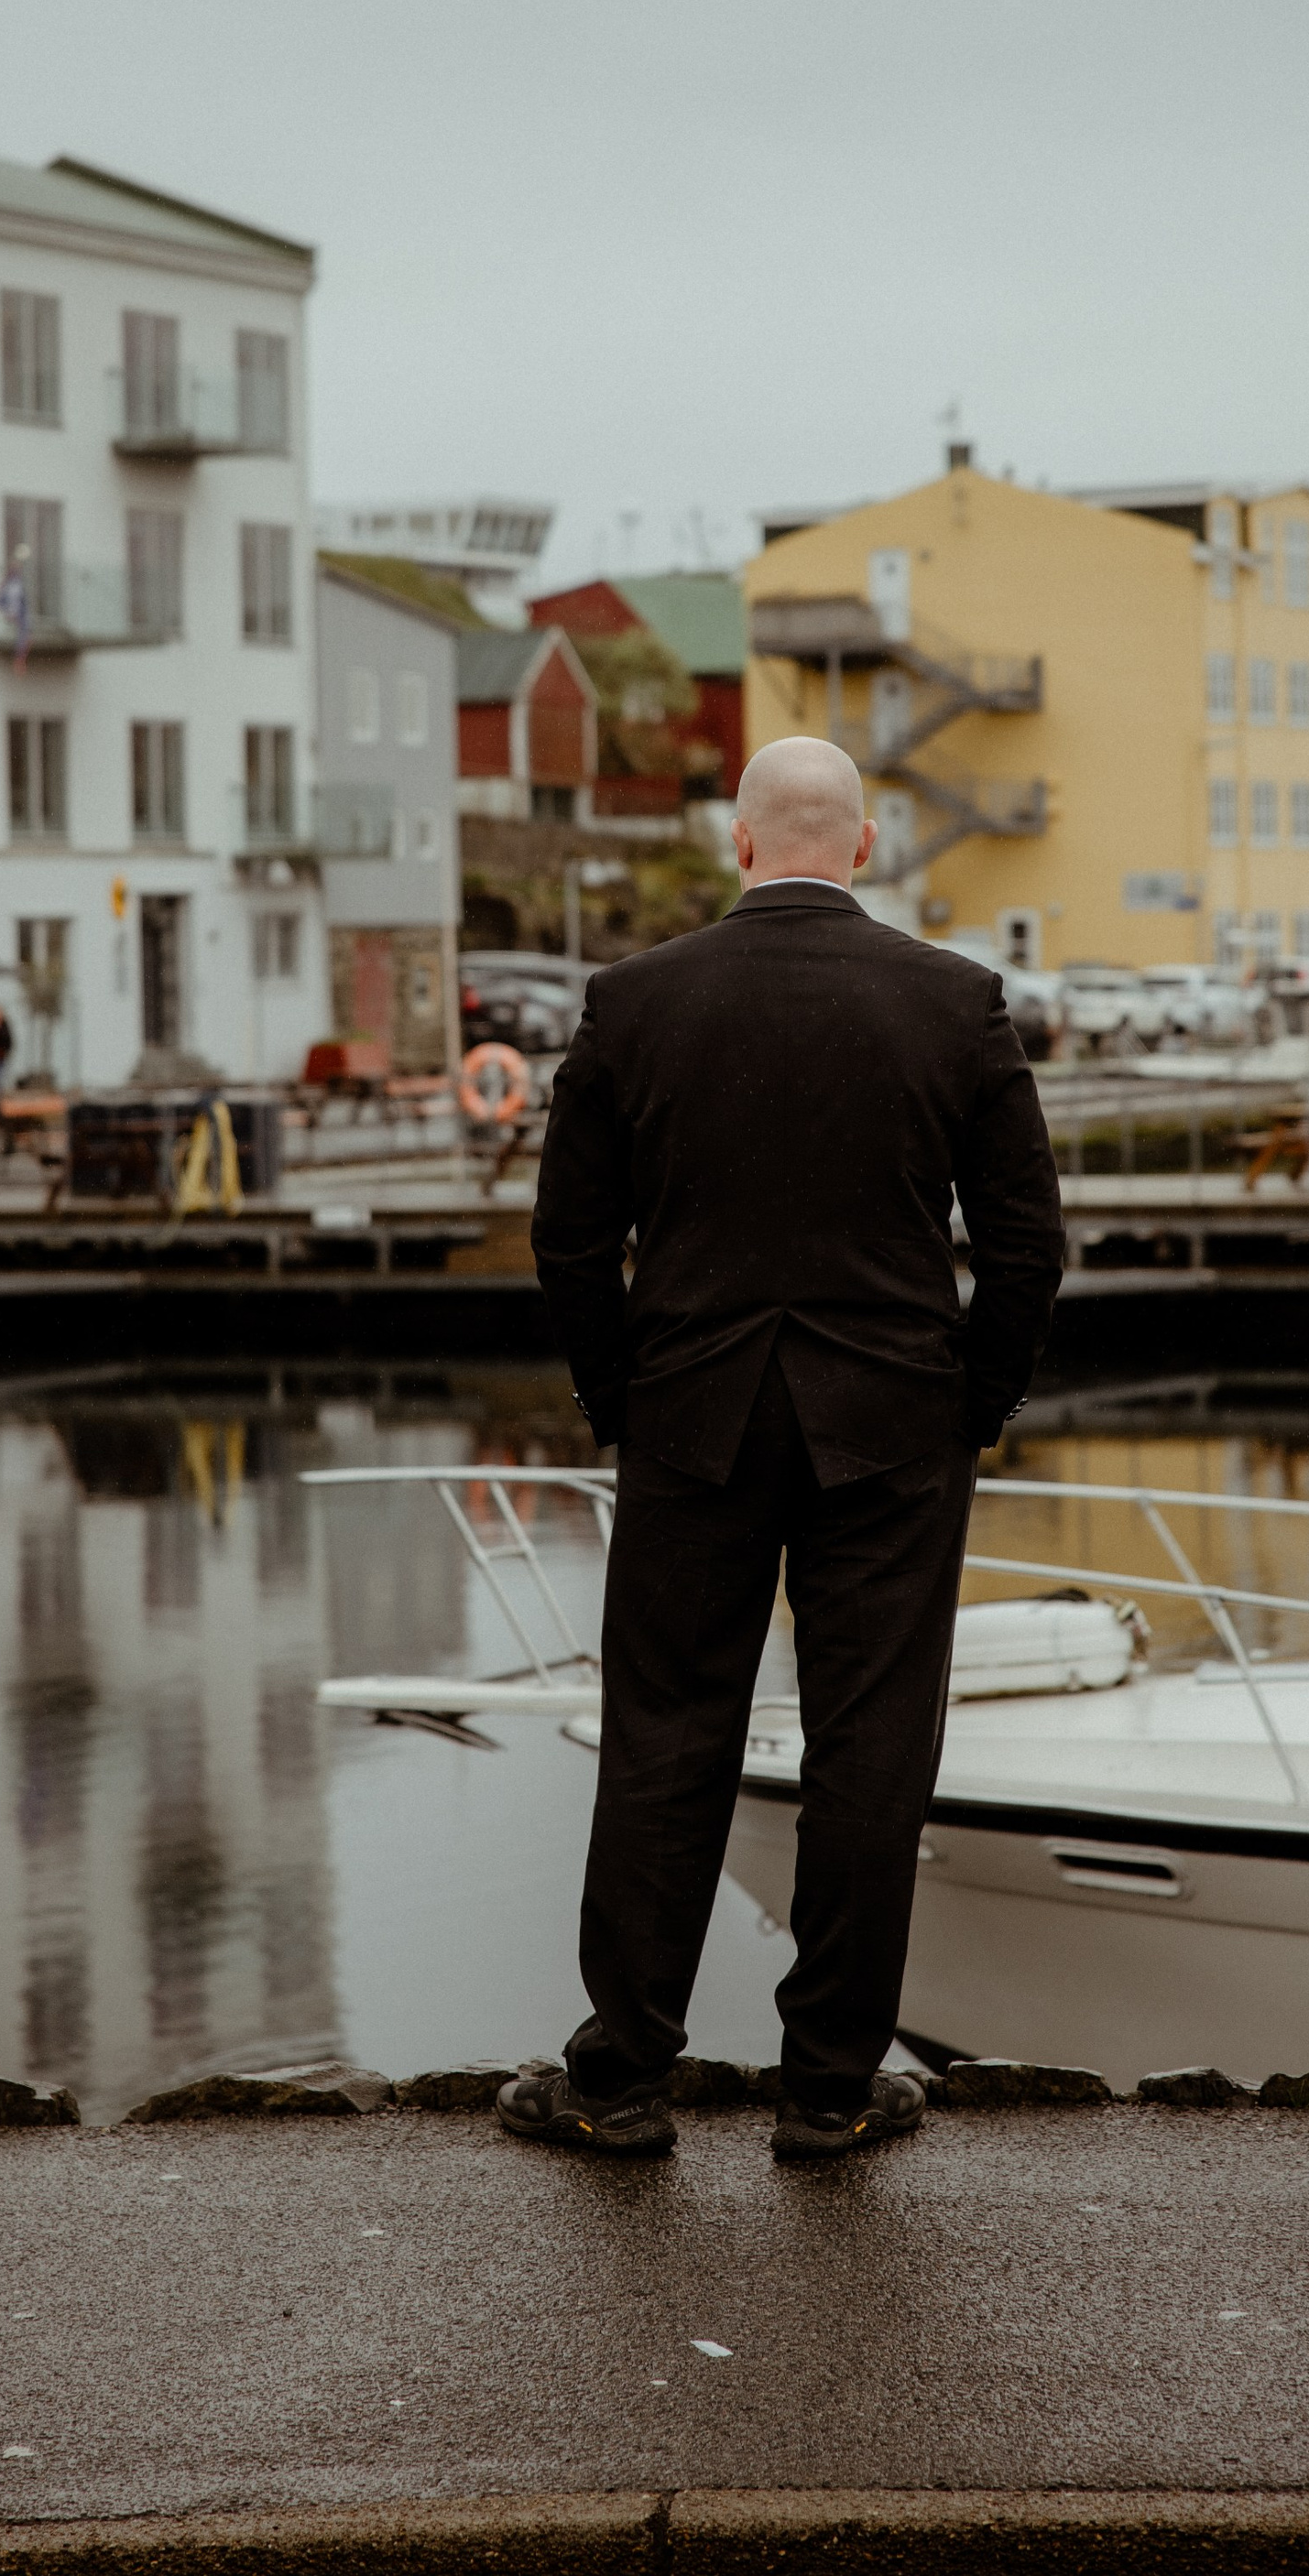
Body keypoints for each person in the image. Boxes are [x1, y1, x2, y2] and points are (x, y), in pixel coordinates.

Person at [506, 735, 1064, 2164]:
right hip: (892, 1427)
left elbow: (569, 1236)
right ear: (864, 846)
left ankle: (620, 2076)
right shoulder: (955, 1001)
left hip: (693, 1415)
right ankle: (827, 2086)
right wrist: (970, 1404)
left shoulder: (634, 1002)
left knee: (663, 1739)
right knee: (871, 1751)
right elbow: (1026, 1245)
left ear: (738, 844)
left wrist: (624, 1391)